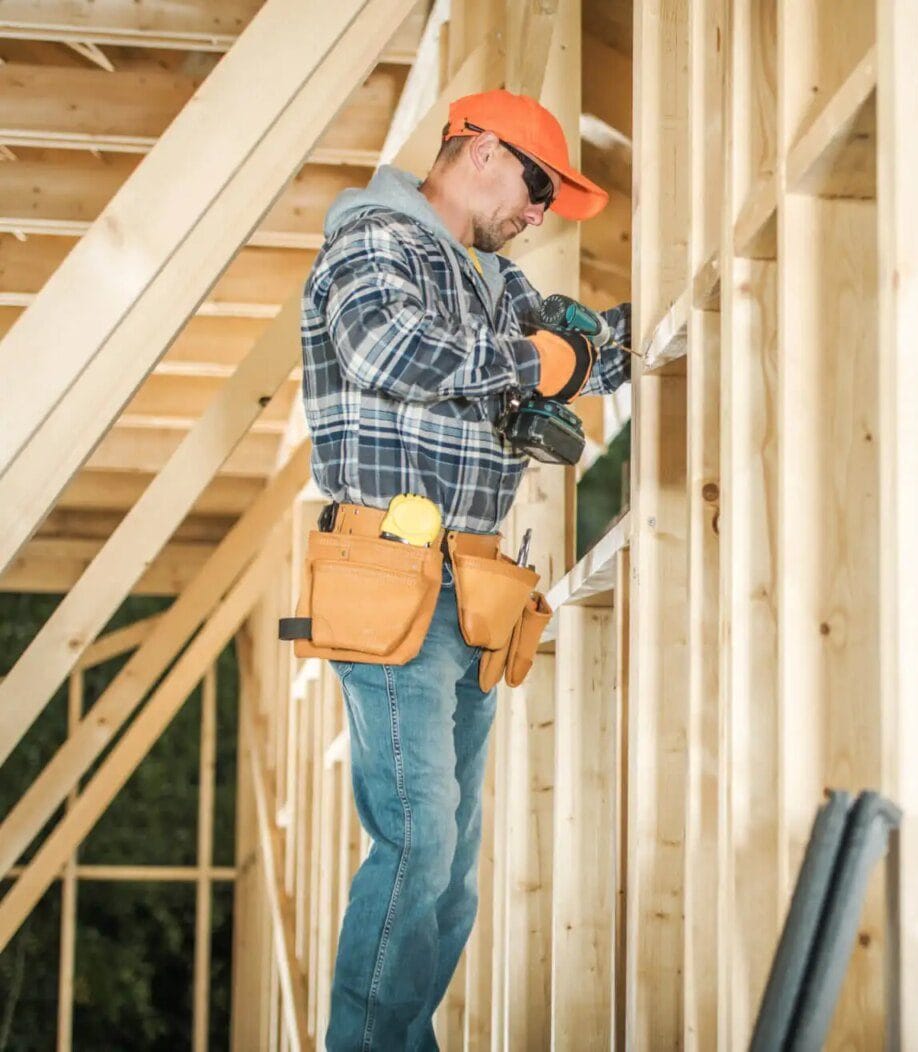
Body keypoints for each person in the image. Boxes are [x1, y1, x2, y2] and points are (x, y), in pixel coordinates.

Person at [296, 89, 630, 1051]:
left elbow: (578, 356)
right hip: (389, 576)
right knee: (419, 841)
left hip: (474, 595)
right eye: (537, 189)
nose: (539, 215)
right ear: (481, 151)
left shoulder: (493, 283)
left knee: (452, 865)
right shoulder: (372, 241)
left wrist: (631, 333)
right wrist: (535, 361)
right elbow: (385, 346)